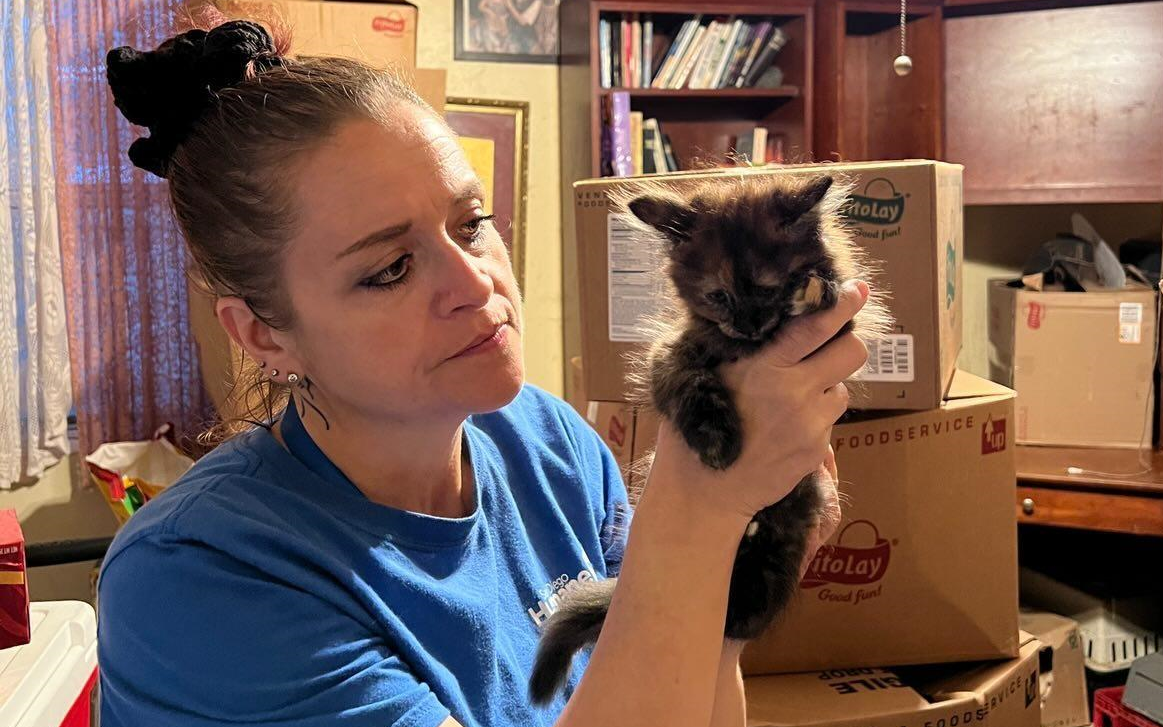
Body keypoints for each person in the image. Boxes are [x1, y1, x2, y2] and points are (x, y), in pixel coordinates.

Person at [96, 17, 870, 727]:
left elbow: (679, 695)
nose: (476, 283)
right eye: (391, 267)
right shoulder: (200, 580)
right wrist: (698, 507)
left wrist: (729, 596)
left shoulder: (553, 445)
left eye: (471, 224)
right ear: (264, 334)